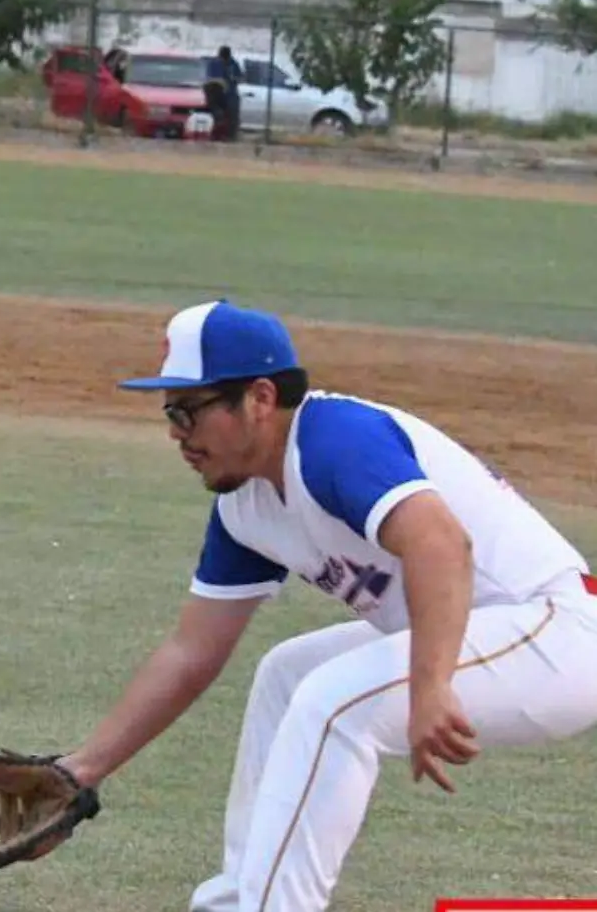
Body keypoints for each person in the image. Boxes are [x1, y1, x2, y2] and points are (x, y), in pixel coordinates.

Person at [51, 299, 597, 912]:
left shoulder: (333, 439)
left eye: (189, 410)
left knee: (335, 701)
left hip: (557, 632)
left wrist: (432, 684)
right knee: (289, 675)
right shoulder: (244, 505)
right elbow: (190, 653)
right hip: (487, 629)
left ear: (259, 398)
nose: (177, 431)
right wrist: (83, 769)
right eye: (169, 412)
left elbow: (442, 543)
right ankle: (240, 901)